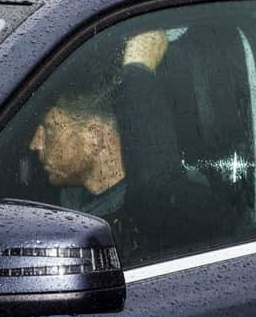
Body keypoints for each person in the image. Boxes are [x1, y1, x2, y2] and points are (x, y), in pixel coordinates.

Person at [29, 31, 237, 262]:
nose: (34, 143)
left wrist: (138, 73)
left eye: (48, 129)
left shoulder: (174, 211)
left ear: (94, 137)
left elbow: (157, 191)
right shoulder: (59, 208)